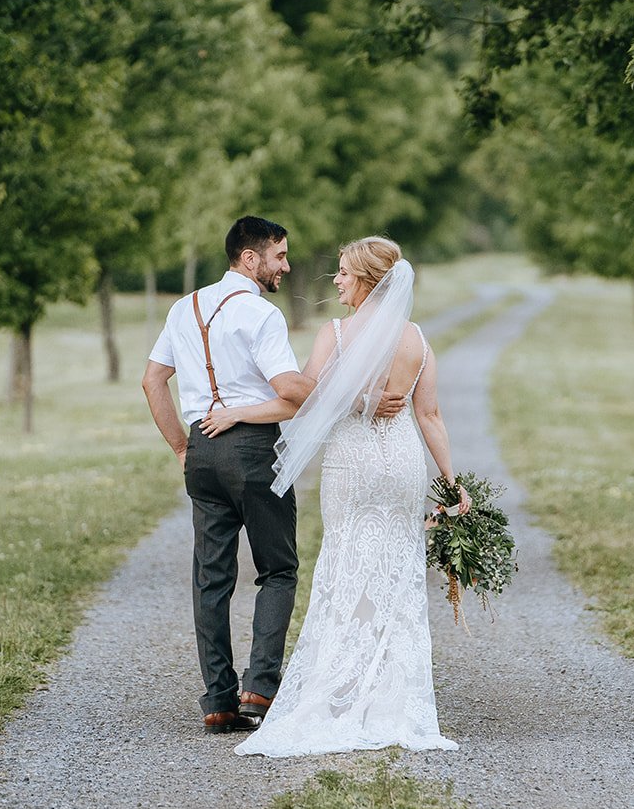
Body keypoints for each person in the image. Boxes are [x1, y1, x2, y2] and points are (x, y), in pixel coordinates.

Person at [200, 235, 471, 758]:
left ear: (368, 280)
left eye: (345, 273)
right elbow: (430, 416)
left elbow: (301, 396)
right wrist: (450, 480)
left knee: (347, 565)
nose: (337, 280)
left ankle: (340, 694)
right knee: (397, 572)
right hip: (401, 465)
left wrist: (237, 411)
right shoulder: (416, 338)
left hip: (354, 464)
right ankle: (391, 701)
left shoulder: (338, 334)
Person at [141, 217, 406, 734]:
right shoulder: (260, 315)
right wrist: (360, 402)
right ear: (249, 258)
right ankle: (260, 688)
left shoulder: (184, 307)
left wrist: (181, 447)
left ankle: (218, 702)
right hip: (253, 452)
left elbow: (153, 381)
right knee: (278, 570)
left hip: (202, 449)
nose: (286, 266)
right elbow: (289, 388)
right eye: (279, 257)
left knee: (210, 579)